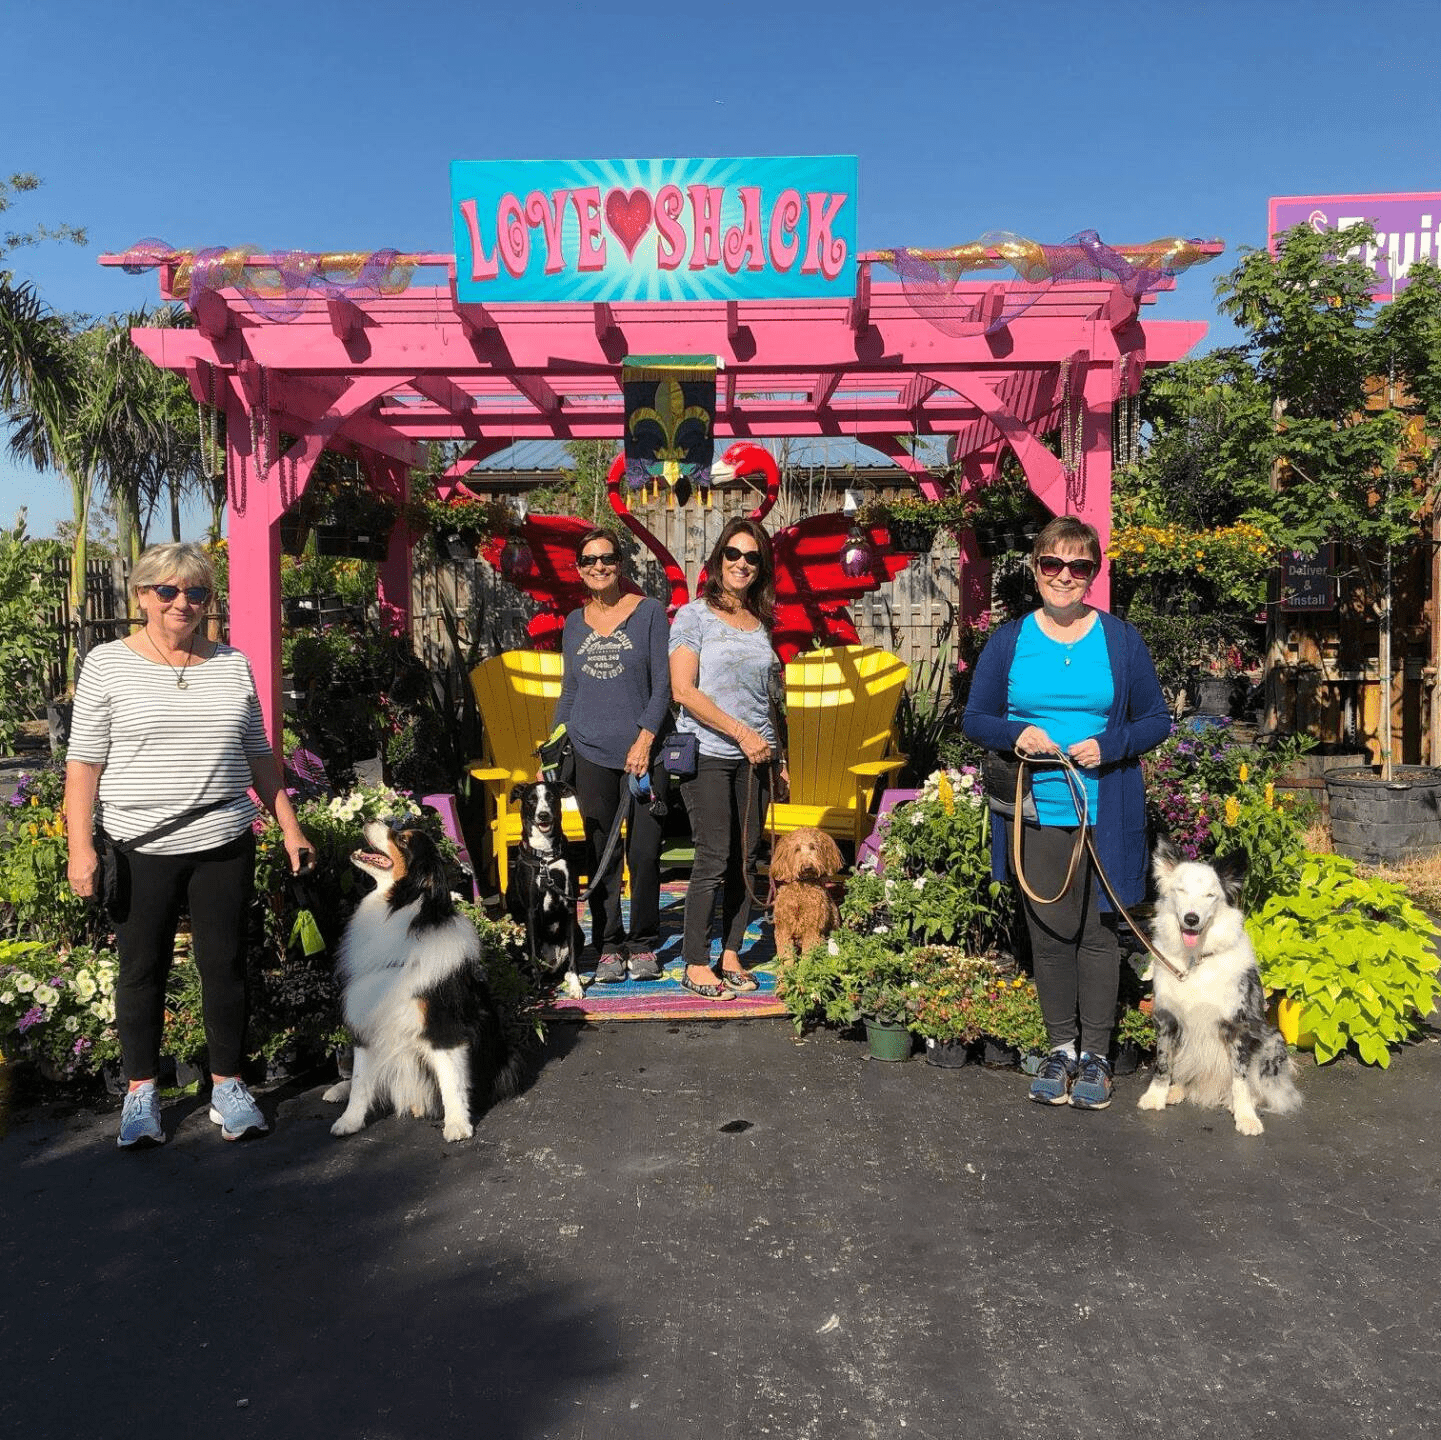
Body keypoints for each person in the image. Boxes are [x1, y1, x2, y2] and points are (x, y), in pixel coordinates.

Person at [64, 542, 314, 1149]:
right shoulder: (107, 664)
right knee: (141, 970)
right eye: (167, 591)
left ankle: (228, 1086)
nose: (182, 603)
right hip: (139, 844)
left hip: (223, 839)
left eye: (196, 592)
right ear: (141, 596)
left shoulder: (231, 665)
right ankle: (141, 1091)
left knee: (225, 966)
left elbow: (259, 754)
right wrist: (80, 846)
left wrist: (289, 824)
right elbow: (83, 764)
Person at [961, 516, 1170, 1110]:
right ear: (1036, 569)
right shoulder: (1009, 641)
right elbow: (974, 718)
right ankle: (1061, 1049)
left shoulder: (1122, 641)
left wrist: (1112, 745)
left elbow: (1156, 719)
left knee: (1099, 934)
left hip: (1108, 808)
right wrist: (1016, 733)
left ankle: (1098, 1057)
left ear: (1093, 575)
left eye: (1079, 567)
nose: (1064, 576)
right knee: (1050, 933)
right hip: (1036, 810)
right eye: (1052, 564)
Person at [668, 518, 783, 1000]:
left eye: (752, 557)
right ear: (718, 561)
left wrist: (779, 757)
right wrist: (741, 733)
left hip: (757, 758)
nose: (741, 563)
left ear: (761, 568)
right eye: (733, 554)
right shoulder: (693, 616)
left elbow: (769, 698)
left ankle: (731, 952)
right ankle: (695, 961)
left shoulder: (761, 624)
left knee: (746, 859)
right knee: (714, 856)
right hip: (711, 751)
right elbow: (683, 690)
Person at [551, 527, 671, 982]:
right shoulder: (573, 623)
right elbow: (570, 689)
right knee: (602, 853)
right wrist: (554, 744)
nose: (598, 566)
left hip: (646, 757)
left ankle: (641, 943)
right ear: (578, 569)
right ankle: (607, 945)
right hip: (590, 754)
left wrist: (644, 739)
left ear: (621, 563)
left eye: (607, 558)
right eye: (588, 560)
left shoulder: (650, 613)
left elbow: (663, 685)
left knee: (643, 853)